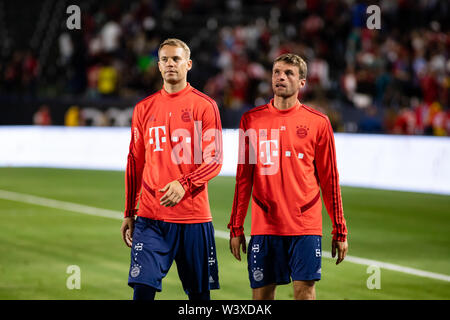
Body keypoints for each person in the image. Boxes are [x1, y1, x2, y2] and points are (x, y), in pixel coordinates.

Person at [228, 53, 348, 300]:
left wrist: (339, 230)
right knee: (261, 296)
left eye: (289, 73)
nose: (280, 77)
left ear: (302, 82)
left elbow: (329, 181)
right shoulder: (251, 120)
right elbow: (243, 179)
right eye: (276, 72)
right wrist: (236, 226)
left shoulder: (318, 123)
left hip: (304, 225)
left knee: (304, 292)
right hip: (265, 225)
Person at [120, 38, 223, 301]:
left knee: (199, 299)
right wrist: (129, 211)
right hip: (151, 218)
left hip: (193, 218)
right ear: (158, 66)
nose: (170, 64)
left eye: (176, 59)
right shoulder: (143, 108)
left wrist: (184, 183)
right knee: (142, 291)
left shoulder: (204, 106)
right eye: (164, 59)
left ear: (188, 64)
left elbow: (214, 159)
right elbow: (134, 161)